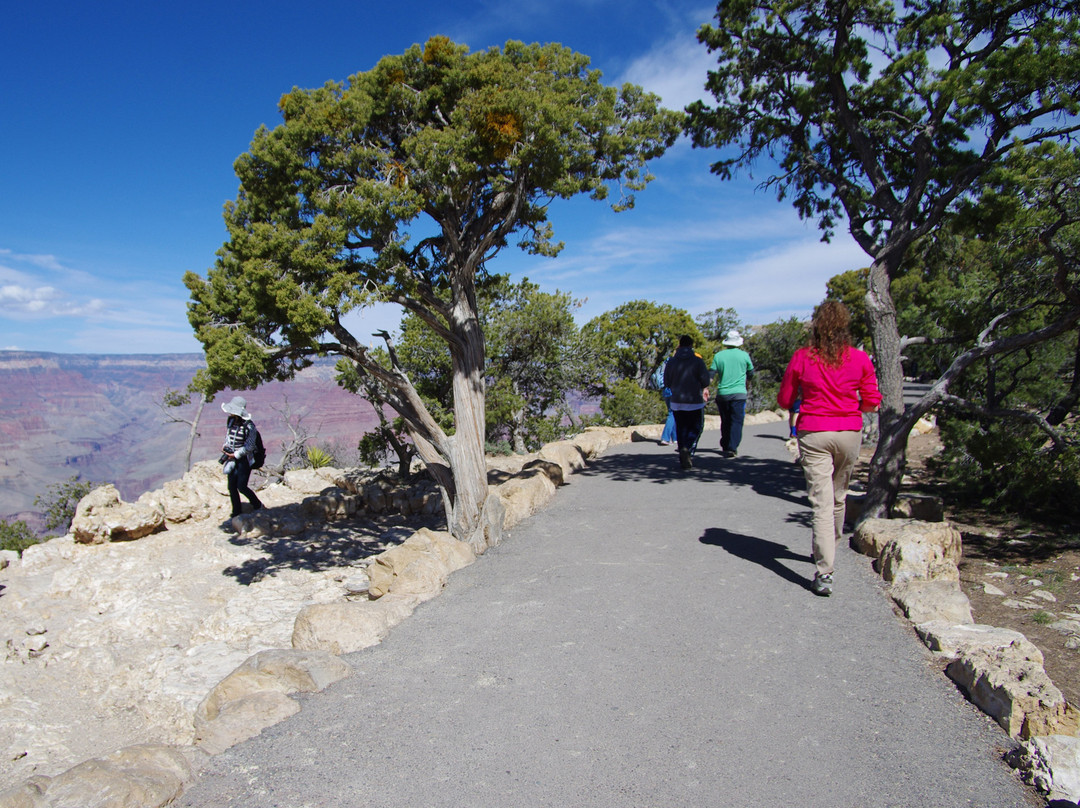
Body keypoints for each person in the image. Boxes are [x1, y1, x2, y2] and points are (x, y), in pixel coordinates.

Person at [777, 301, 881, 597]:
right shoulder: (860, 359)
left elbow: (786, 399)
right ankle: (829, 552)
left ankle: (825, 570)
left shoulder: (802, 358)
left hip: (814, 431)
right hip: (848, 431)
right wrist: (852, 408)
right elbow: (873, 400)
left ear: (816, 326)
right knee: (838, 496)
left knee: (821, 502)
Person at [663, 335, 711, 470]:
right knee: (696, 427)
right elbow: (705, 381)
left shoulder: (671, 362)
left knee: (681, 427)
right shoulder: (697, 361)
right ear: (691, 345)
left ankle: (683, 449)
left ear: (680, 345)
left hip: (676, 401)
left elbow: (666, 382)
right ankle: (687, 448)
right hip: (694, 401)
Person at [709, 329, 754, 457]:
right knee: (737, 420)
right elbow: (750, 373)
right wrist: (747, 383)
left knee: (725, 419)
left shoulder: (719, 356)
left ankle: (725, 443)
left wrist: (705, 387)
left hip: (723, 393)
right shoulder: (744, 355)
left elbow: (711, 374)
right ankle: (732, 446)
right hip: (739, 393)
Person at [220, 395, 264, 518]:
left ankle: (257, 505)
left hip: (244, 459)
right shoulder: (230, 422)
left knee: (241, 486)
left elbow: (249, 446)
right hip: (231, 457)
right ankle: (236, 512)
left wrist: (235, 454)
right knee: (231, 486)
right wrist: (225, 447)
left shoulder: (249, 427)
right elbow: (228, 437)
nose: (229, 414)